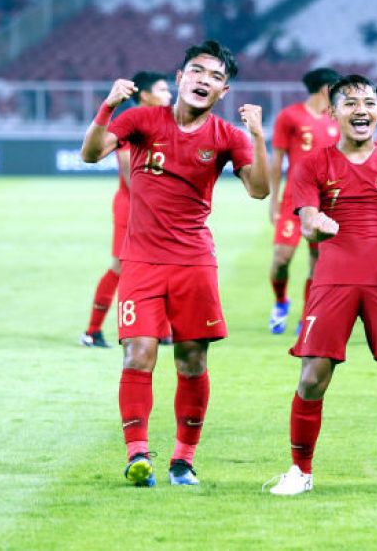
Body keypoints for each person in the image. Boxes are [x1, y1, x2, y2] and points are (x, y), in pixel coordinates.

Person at [80, 40, 270, 487]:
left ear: (223, 92)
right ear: (180, 78)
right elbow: (90, 154)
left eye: (216, 77)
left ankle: (183, 460)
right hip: (143, 260)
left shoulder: (228, 137)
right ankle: (137, 454)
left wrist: (259, 136)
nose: (205, 80)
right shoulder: (142, 118)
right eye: (197, 71)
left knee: (190, 361)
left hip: (194, 262)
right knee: (138, 353)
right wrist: (107, 106)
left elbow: (259, 190)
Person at [266, 75, 377, 498]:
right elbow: (307, 223)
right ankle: (299, 471)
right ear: (334, 113)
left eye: (368, 102)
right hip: (332, 280)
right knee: (312, 379)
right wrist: (318, 224)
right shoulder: (313, 163)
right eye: (350, 103)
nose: (360, 109)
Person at [80, 71, 171, 348]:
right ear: (145, 95)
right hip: (133, 207)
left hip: (159, 209)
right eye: (163, 90)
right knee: (121, 267)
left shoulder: (166, 123)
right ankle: (92, 332)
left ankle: (162, 330)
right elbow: (130, 171)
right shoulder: (132, 123)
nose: (169, 95)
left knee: (164, 266)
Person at [268, 68, 342, 335]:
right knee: (281, 259)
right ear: (326, 88)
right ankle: (280, 301)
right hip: (293, 198)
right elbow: (276, 160)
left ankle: (307, 315)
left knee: (317, 260)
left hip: (326, 201)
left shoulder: (337, 119)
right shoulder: (290, 116)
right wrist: (273, 199)